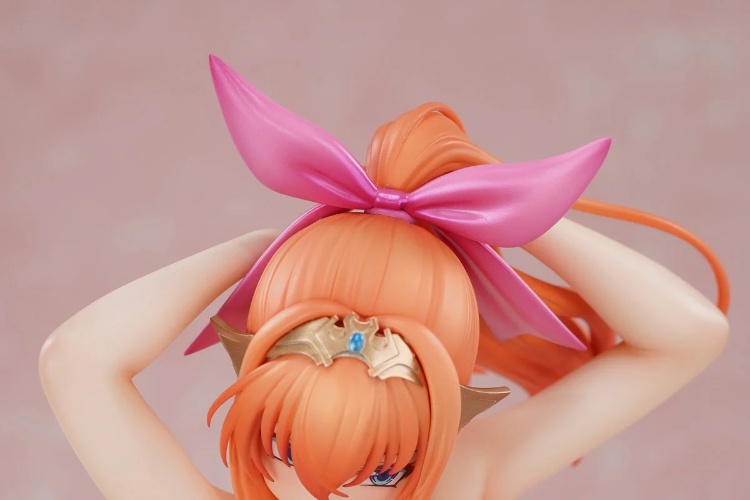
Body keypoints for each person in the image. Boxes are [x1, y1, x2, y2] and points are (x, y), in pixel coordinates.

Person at [39, 56, 730, 500]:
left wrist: (512, 218)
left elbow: (689, 336)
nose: (332, 495)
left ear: (437, 426)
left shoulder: (461, 478)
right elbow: (76, 360)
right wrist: (252, 251)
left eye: (381, 470)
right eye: (287, 446)